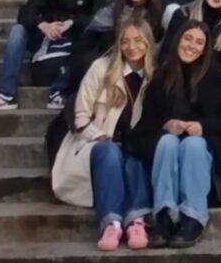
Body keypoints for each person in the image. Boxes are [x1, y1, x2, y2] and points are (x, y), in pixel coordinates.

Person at [128, 21, 221, 248]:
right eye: (188, 39)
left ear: (205, 48)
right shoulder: (161, 77)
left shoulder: (218, 75)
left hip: (205, 150)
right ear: (178, 39)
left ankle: (193, 216)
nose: (192, 46)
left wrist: (202, 126)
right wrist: (166, 124)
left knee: (193, 144)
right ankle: (164, 214)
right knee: (168, 141)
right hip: (167, 148)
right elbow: (145, 123)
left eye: (199, 42)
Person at [53, 20, 156, 251]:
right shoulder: (101, 68)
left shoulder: (155, 76)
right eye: (126, 41)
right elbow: (80, 115)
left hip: (133, 143)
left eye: (138, 40)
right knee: (110, 152)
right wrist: (99, 136)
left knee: (138, 151)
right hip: (96, 142)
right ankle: (111, 222)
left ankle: (136, 220)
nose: (132, 47)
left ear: (149, 43)